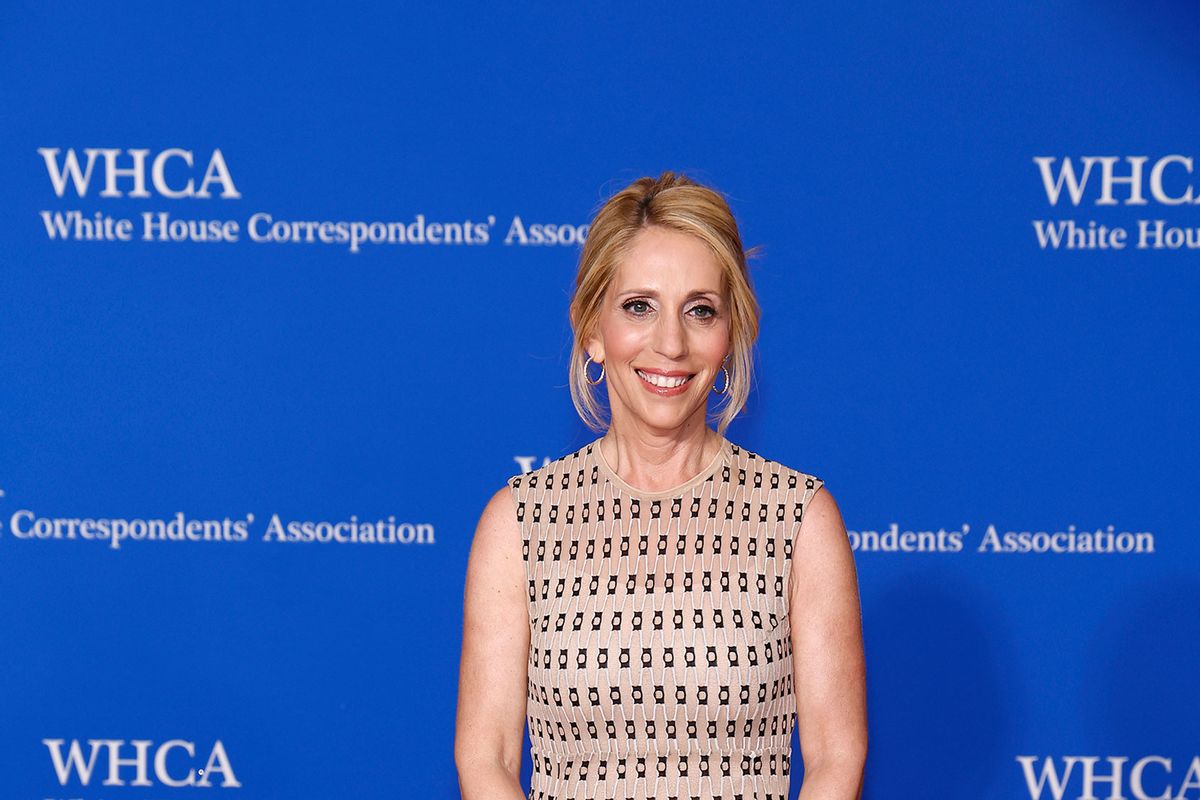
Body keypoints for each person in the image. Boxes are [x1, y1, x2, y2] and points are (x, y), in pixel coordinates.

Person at [455, 171, 867, 800]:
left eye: (700, 311)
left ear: (731, 336)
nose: (671, 343)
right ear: (592, 329)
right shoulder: (519, 523)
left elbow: (837, 759)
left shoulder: (799, 521)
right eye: (639, 307)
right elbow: (488, 759)